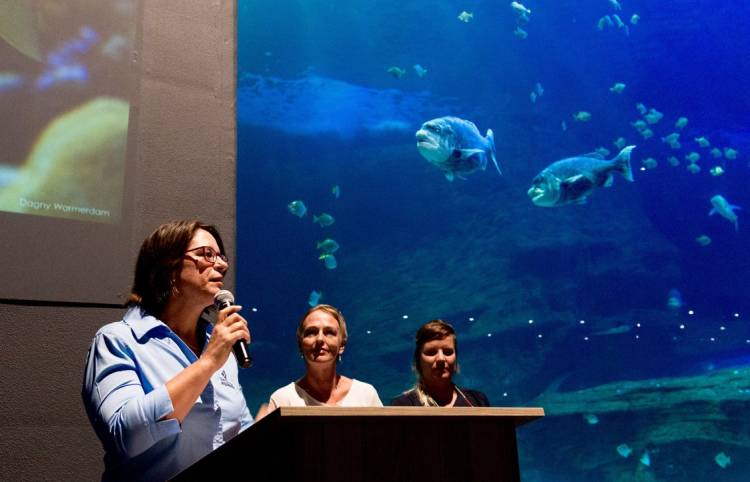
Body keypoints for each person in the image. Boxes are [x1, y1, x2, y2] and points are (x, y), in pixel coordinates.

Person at [82, 220, 253, 481]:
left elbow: (239, 428)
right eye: (207, 254)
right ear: (169, 267)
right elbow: (126, 436)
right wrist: (206, 363)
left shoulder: (219, 345)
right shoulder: (117, 340)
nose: (221, 265)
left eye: (221, 256)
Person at [266, 304, 382, 408]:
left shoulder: (366, 395)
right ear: (300, 345)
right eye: (311, 332)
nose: (320, 339)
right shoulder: (282, 399)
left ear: (341, 345)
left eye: (329, 332)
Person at [390, 319, 489, 407]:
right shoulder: (403, 405)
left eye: (448, 352)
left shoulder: (478, 401)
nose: (441, 359)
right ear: (418, 361)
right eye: (431, 352)